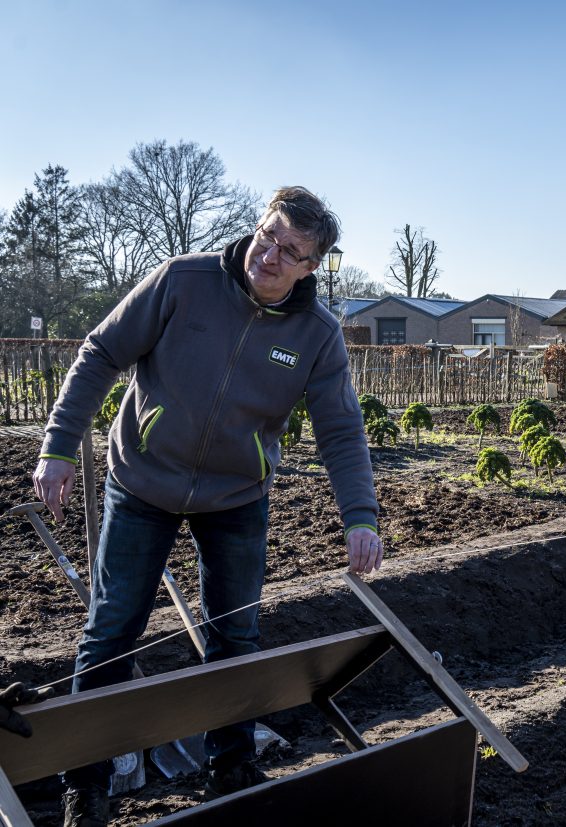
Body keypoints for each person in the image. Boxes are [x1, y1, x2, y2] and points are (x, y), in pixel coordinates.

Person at [33, 187, 383, 827]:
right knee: (111, 631)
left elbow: (341, 430)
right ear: (258, 227)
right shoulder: (182, 281)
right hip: (142, 480)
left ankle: (231, 771)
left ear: (311, 268)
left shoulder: (316, 335)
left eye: (291, 252)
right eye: (269, 237)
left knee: (235, 635)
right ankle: (85, 785)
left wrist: (360, 516)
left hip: (236, 496)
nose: (270, 256)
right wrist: (57, 447)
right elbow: (100, 353)